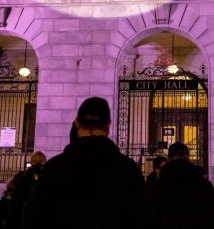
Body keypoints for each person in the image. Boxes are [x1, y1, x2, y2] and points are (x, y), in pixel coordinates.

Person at [23, 97, 149, 229]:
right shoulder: (128, 169)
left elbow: (33, 216)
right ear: (108, 125)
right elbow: (142, 218)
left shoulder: (54, 167)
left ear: (77, 123)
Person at [149, 142, 214, 229]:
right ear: (188, 159)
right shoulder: (203, 184)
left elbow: (152, 216)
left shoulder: (160, 184)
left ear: (169, 159)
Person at [7, 151, 47, 229]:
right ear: (31, 163)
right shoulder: (23, 178)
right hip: (26, 215)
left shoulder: (48, 177)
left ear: (45, 162)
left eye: (40, 161)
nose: (37, 163)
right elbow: (17, 200)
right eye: (34, 161)